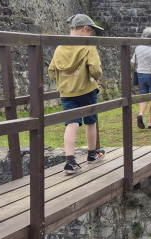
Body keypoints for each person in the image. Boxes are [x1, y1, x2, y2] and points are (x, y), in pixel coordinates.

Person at [48, 14, 105, 174]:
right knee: (90, 122)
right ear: (85, 28)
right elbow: (96, 69)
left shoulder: (60, 47)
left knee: (71, 123)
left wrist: (64, 82)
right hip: (86, 90)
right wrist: (94, 78)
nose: (91, 35)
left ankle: (70, 160)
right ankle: (92, 153)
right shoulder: (87, 46)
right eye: (91, 31)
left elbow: (52, 70)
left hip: (66, 92)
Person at [132, 27, 151, 129]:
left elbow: (133, 62)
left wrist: (140, 67)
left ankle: (140, 114)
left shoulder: (138, 48)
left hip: (140, 74)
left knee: (144, 96)